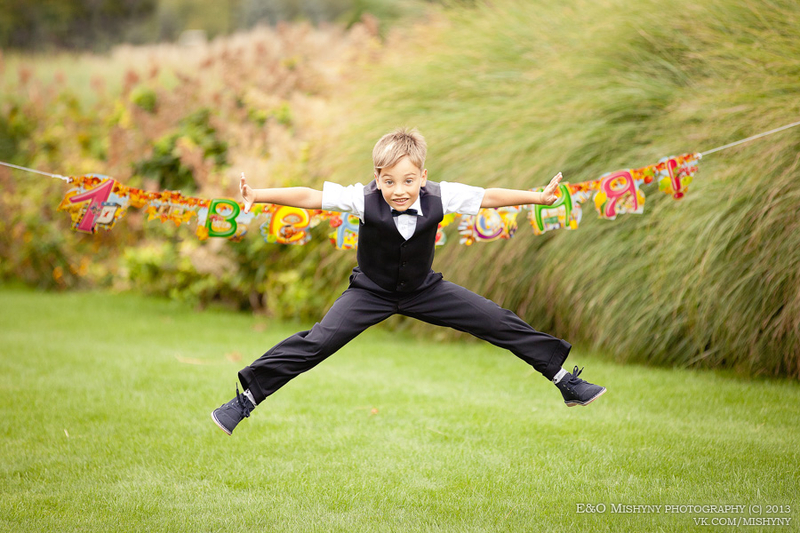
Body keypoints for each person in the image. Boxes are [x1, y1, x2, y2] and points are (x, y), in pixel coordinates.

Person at [211, 128, 606, 435]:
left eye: (408, 180)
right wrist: (258, 194)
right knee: (318, 342)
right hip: (371, 292)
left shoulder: (442, 195)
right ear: (377, 178)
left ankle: (564, 381)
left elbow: (489, 197)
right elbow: (310, 197)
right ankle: (245, 401)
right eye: (388, 182)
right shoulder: (362, 199)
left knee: (496, 320)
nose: (398, 191)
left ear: (423, 176)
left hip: (424, 290)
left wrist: (538, 199)